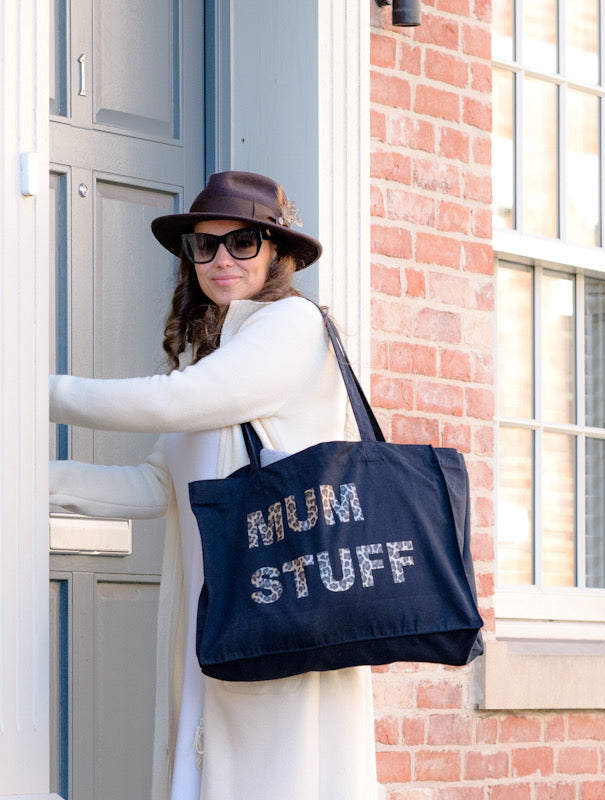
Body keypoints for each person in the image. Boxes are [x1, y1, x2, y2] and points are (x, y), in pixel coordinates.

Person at [49, 171, 380, 800]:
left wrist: (35, 392)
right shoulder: (204, 354)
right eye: (205, 245)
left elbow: (178, 403)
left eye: (242, 242)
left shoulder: (294, 326)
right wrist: (25, 483)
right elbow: (154, 485)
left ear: (277, 251)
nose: (221, 258)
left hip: (282, 614)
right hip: (218, 621)